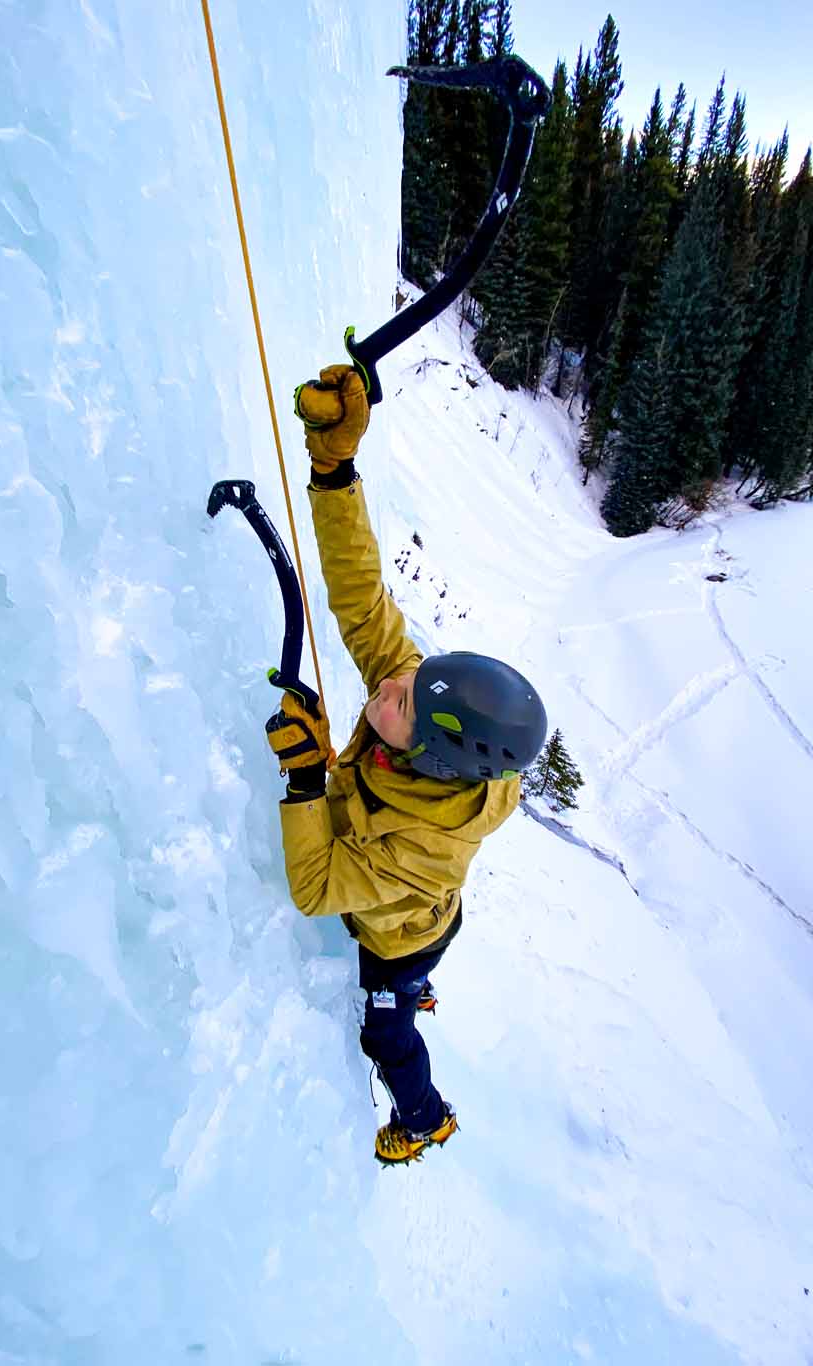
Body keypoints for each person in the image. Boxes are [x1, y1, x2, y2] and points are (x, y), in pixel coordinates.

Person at [266, 363, 548, 1166]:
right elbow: (361, 600)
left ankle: (424, 1116)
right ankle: (416, 986)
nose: (389, 681)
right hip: (424, 919)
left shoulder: (418, 855)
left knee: (382, 1034)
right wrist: (333, 470)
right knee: (397, 976)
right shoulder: (417, 712)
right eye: (406, 677)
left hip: (400, 932)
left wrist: (303, 782)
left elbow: (318, 887)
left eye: (401, 699)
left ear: (427, 750)